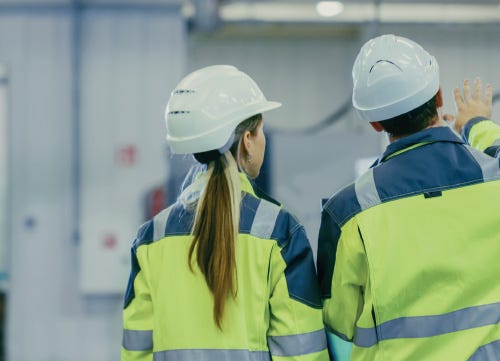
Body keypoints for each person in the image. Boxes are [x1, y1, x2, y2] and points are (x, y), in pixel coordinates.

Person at [121, 65, 329, 361]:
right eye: (261, 131)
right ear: (247, 140)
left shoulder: (151, 237)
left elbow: (136, 351)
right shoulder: (278, 231)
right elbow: (302, 352)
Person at [317, 34, 500, 360]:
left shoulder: (348, 212)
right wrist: (477, 126)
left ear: (374, 122)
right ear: (439, 95)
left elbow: (340, 321)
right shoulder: (492, 179)